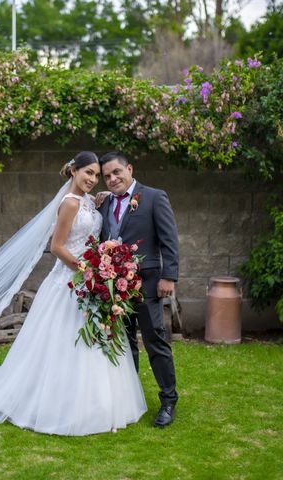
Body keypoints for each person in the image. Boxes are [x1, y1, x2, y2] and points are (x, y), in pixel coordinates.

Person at [0, 151, 147, 436]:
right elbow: (58, 247)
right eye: (89, 173)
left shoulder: (86, 201)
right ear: (74, 171)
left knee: (93, 340)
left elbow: (91, 230)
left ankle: (96, 403)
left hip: (90, 281)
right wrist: (85, 268)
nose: (93, 180)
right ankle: (55, 401)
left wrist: (98, 204)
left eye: (97, 176)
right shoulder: (69, 204)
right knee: (64, 342)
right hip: (69, 282)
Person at [98, 151, 179, 428]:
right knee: (125, 342)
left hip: (148, 283)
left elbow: (169, 239)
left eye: (117, 172)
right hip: (117, 287)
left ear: (129, 169)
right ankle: (130, 398)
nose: (112, 179)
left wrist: (169, 276)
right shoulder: (106, 203)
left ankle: (168, 400)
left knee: (155, 340)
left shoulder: (155, 197)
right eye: (107, 176)